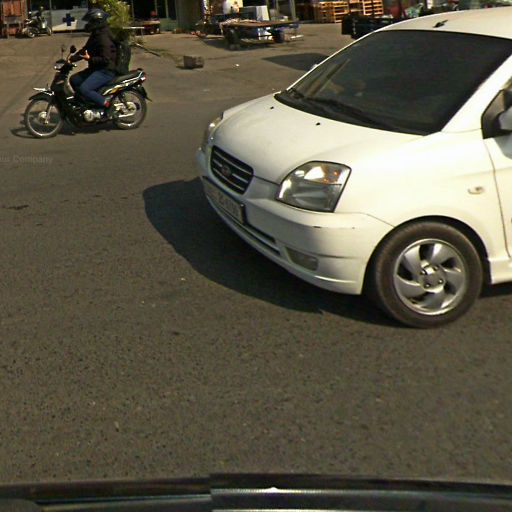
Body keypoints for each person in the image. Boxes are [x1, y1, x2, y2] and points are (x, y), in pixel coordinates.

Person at [69, 8, 117, 114]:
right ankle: (87, 104)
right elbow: (86, 49)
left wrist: (90, 59)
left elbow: (106, 59)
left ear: (97, 21)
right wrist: (72, 59)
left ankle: (107, 105)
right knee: (74, 79)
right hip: (96, 68)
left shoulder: (103, 37)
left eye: (91, 21)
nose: (89, 24)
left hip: (106, 71)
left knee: (84, 89)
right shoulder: (96, 34)